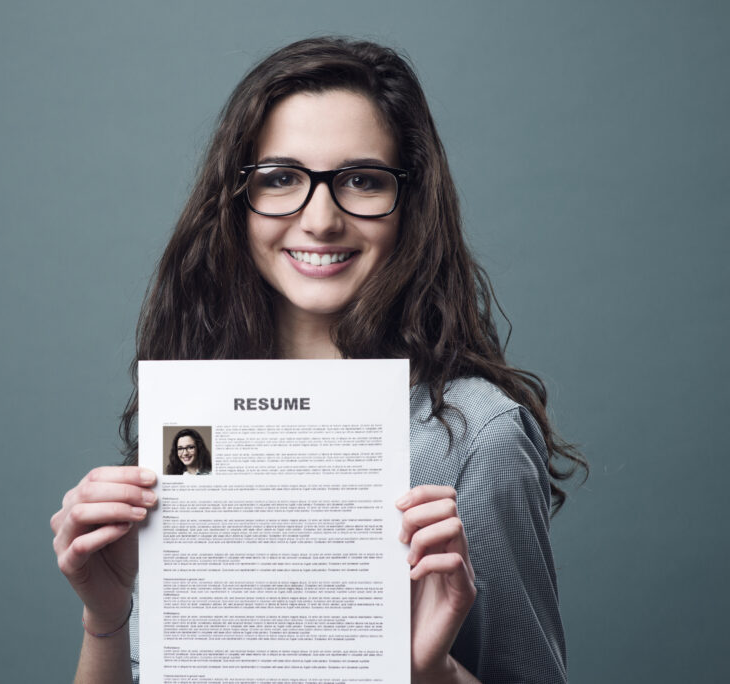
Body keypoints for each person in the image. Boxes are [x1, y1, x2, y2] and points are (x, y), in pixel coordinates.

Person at [51, 36, 586, 683]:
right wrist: (103, 618)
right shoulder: (195, 410)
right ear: (237, 200)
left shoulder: (478, 436)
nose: (321, 218)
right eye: (281, 179)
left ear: (409, 202)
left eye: (362, 180)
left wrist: (430, 673)